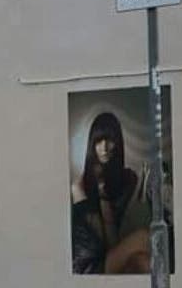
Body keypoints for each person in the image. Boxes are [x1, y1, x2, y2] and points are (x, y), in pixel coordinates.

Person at [71, 112, 152, 274]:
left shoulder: (124, 179)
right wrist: (102, 191)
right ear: (92, 144)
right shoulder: (79, 187)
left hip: (110, 254)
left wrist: (143, 184)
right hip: (90, 264)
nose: (104, 147)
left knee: (142, 262)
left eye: (110, 140)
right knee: (144, 237)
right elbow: (103, 242)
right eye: (98, 141)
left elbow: (116, 238)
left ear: (118, 143)